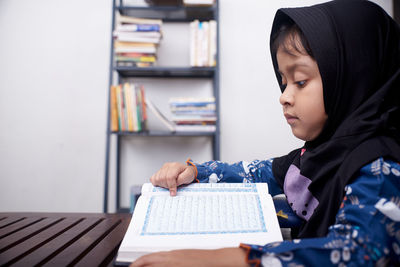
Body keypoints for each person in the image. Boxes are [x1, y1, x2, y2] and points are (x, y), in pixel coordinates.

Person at [131, 0, 400, 266]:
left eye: (301, 81)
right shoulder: (320, 152)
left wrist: (232, 258)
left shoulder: (380, 169)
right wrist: (194, 172)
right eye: (284, 83)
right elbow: (260, 172)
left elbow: (358, 253)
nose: (284, 97)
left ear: (353, 77)